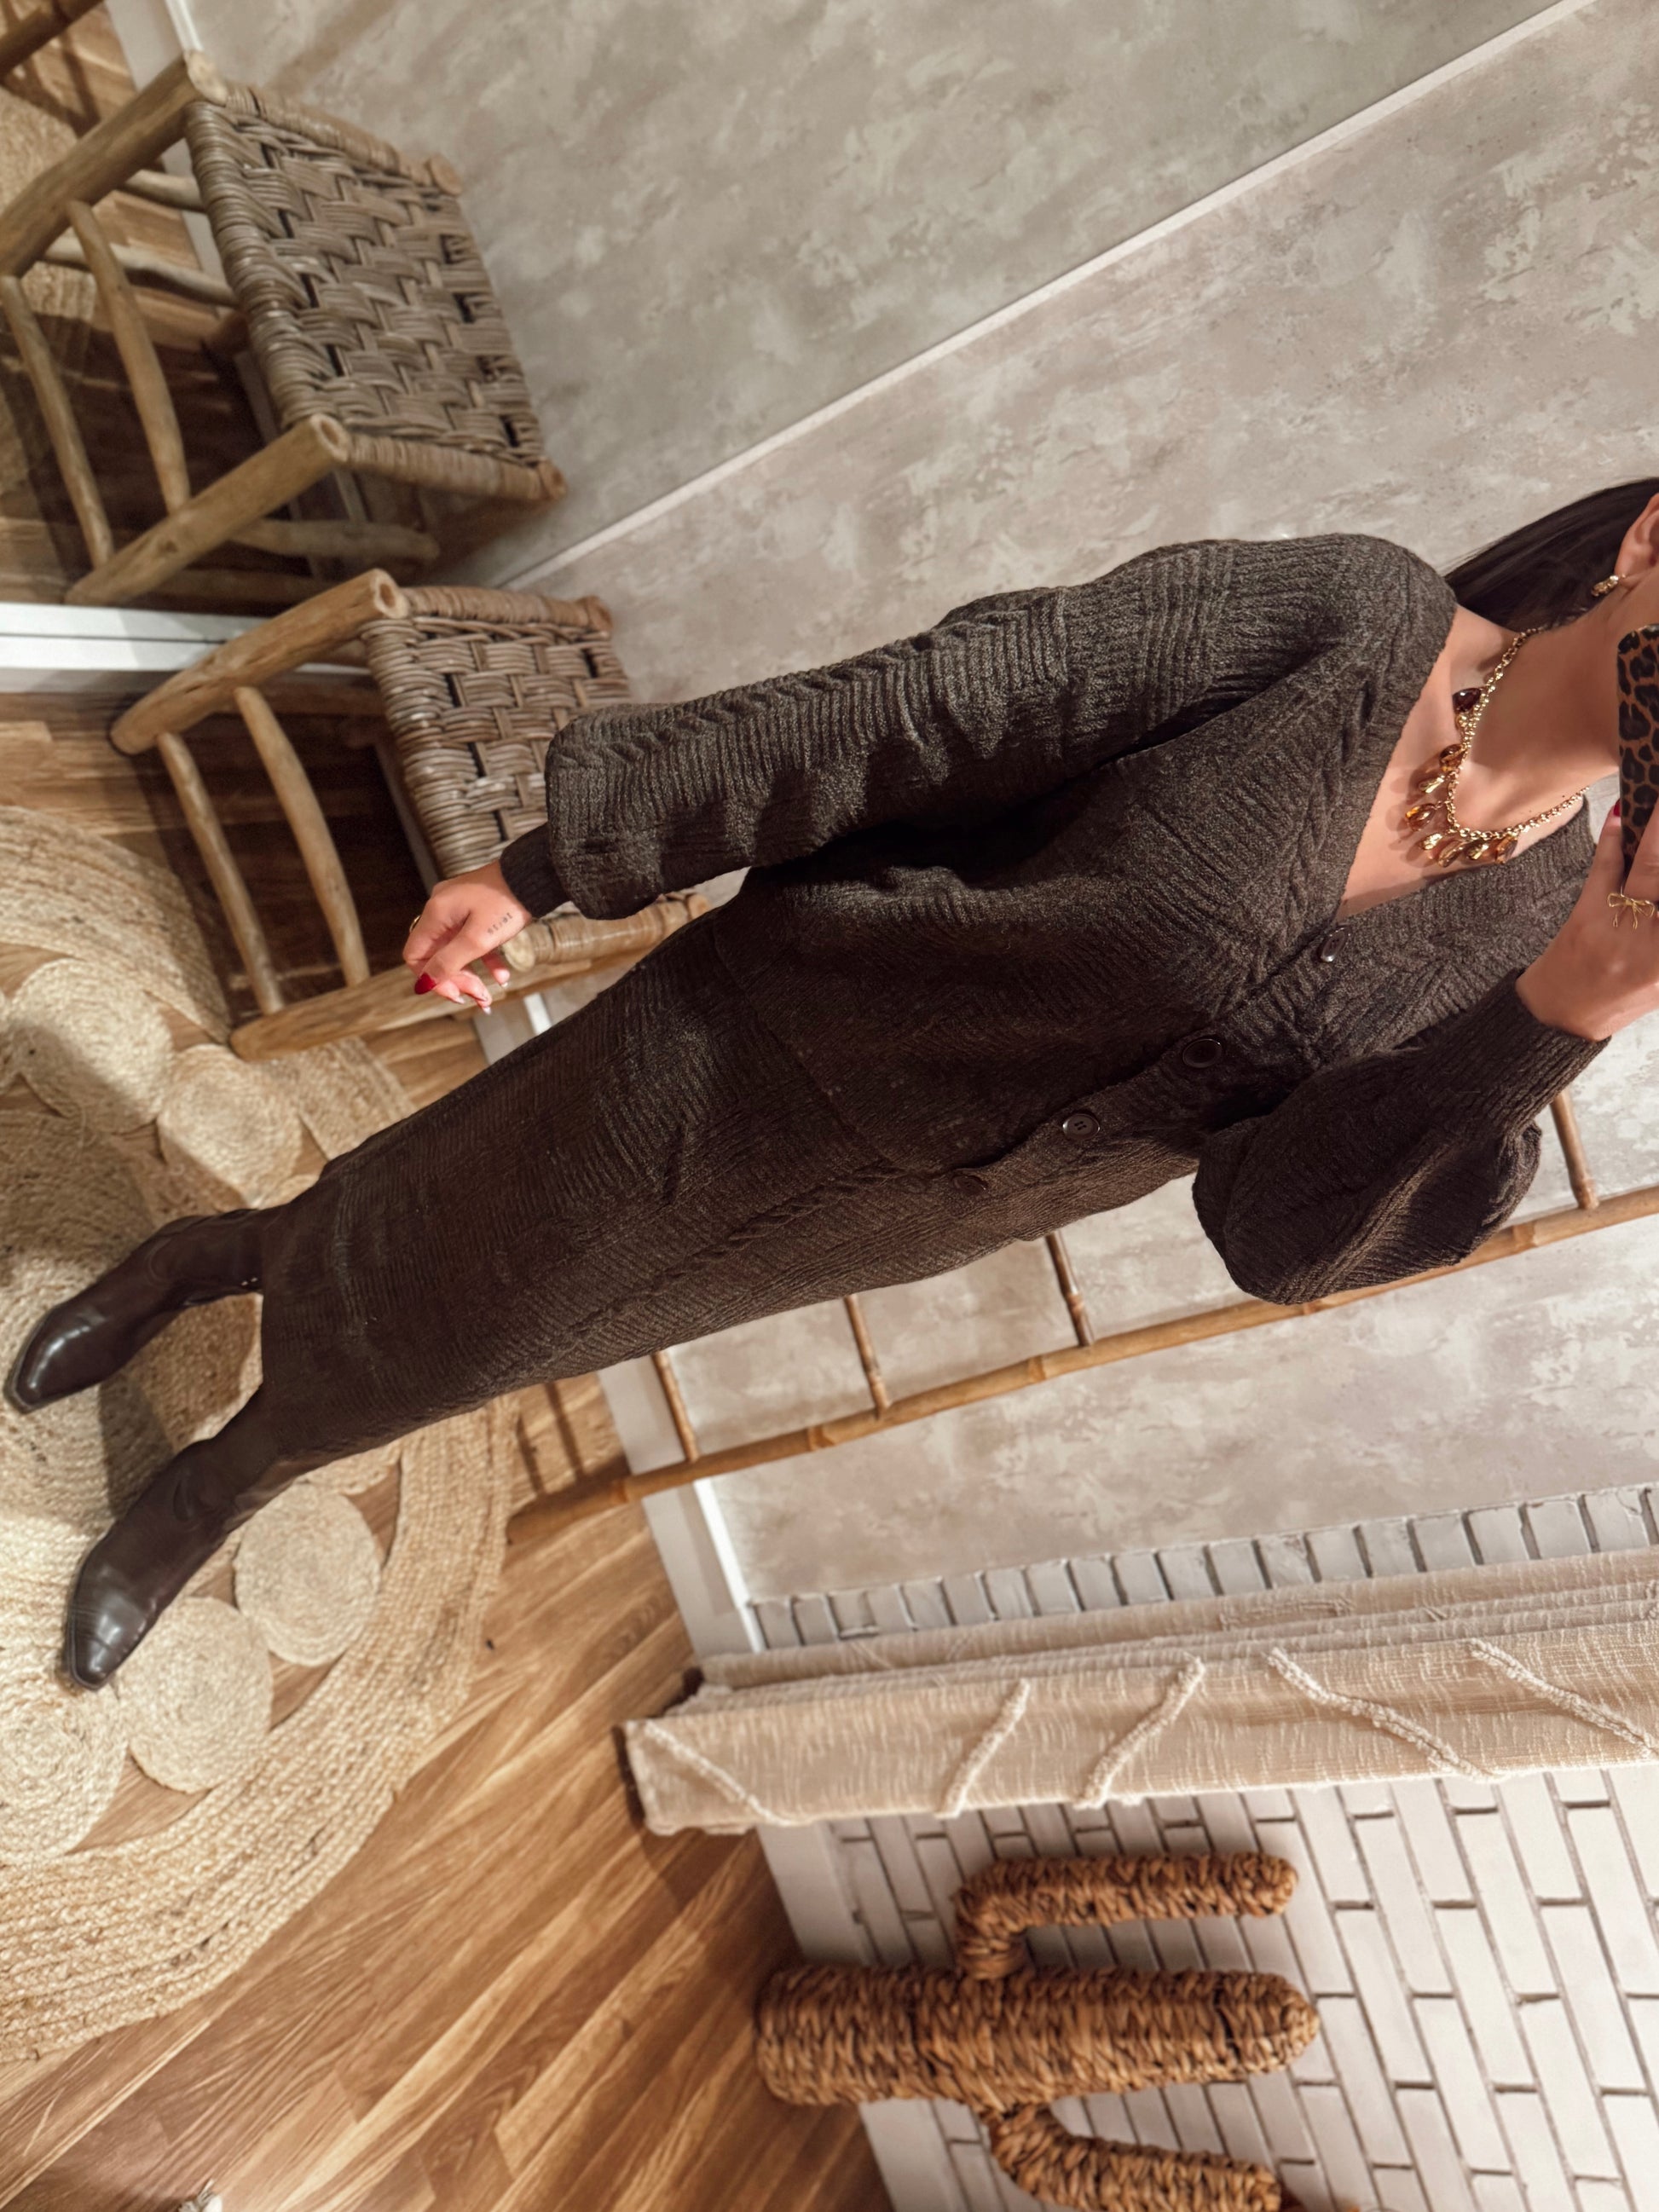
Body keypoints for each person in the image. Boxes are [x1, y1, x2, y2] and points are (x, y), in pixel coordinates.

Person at [15, 482, 1659, 1691]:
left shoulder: (1540, 933)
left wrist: (1566, 1010)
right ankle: (225, 1451)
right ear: (1646, 541)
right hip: (768, 1034)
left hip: (912, 1205)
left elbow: (1282, 1230)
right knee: (479, 1263)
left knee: (536, 1318)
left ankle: (224, 1293)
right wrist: (550, 865)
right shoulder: (1351, 617)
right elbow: (936, 707)